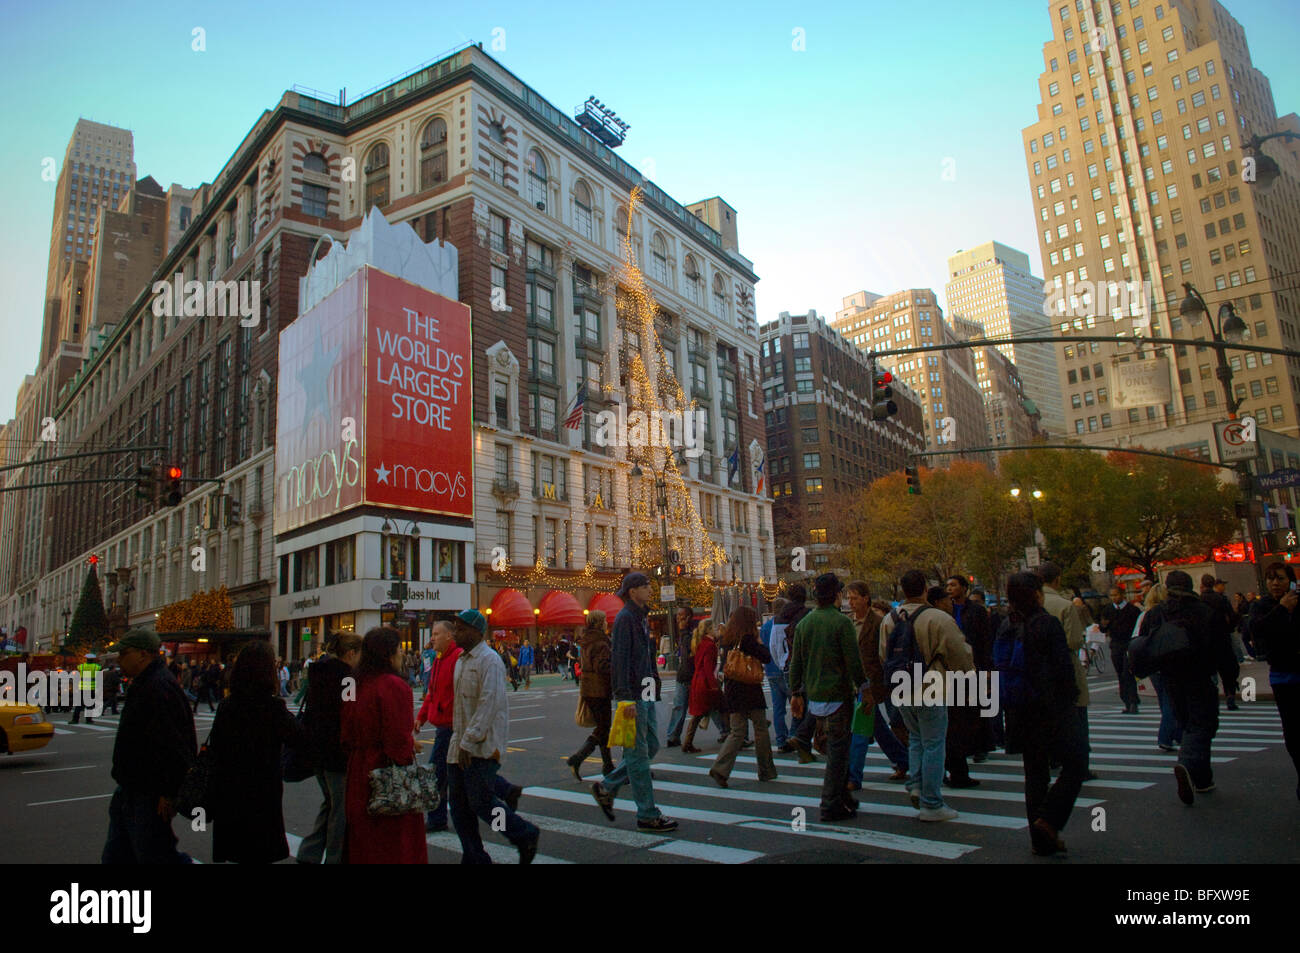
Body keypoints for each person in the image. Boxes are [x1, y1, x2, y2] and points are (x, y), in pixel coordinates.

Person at [995, 572, 1085, 856]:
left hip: (1019, 708)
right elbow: (1063, 671)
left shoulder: (1007, 624)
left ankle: (1040, 839)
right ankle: (1049, 820)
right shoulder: (1046, 623)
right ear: (1036, 593)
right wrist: (1070, 702)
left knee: (1035, 774)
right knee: (1076, 764)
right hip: (1051, 708)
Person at [879, 570, 975, 822]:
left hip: (901, 687)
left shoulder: (889, 619)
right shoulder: (938, 618)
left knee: (916, 740)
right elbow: (959, 653)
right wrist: (970, 675)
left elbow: (883, 656)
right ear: (924, 589)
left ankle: (917, 784)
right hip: (931, 684)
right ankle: (932, 802)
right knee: (934, 743)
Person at [446, 610, 539, 864]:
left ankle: (523, 833)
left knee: (481, 802)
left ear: (478, 632)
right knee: (459, 805)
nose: (456, 633)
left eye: (461, 628)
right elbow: (461, 707)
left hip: (482, 745)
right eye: (455, 628)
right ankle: (474, 856)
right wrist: (458, 741)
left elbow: (489, 703)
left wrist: (468, 741)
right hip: (460, 744)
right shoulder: (462, 661)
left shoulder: (490, 660)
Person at [591, 571, 677, 833]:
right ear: (632, 591)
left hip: (646, 693)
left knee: (649, 745)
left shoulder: (639, 617)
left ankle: (607, 786)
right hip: (633, 697)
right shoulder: (626, 619)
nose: (651, 589)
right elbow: (620, 660)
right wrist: (624, 697)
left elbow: (644, 659)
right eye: (646, 586)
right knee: (638, 755)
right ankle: (647, 813)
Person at [101, 630, 196, 864]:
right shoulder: (146, 684)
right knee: (120, 856)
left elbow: (175, 745)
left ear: (143, 655)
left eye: (124, 654)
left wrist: (169, 792)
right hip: (131, 788)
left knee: (156, 856)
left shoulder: (159, 687)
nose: (119, 659)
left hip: (148, 793)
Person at [208, 640, 304, 863]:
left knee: (238, 851)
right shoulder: (271, 708)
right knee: (259, 852)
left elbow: (216, 748)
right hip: (261, 791)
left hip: (230, 789)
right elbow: (300, 739)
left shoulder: (227, 706)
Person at [341, 627, 427, 864]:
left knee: (362, 841)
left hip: (358, 770)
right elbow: (398, 739)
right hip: (386, 773)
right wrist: (410, 745)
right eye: (399, 649)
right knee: (394, 844)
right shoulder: (394, 685)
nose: (401, 654)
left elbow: (345, 729)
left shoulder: (353, 682)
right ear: (389, 654)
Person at [1136, 570, 1219, 805]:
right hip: (1200, 675)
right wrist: (1229, 678)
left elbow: (1144, 643)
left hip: (1169, 676)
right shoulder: (1203, 612)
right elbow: (1219, 647)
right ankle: (1188, 763)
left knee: (1185, 722)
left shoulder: (1156, 613)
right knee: (1203, 724)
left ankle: (1202, 778)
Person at [789, 573, 867, 822]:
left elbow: (796, 663)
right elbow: (853, 661)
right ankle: (830, 803)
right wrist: (864, 686)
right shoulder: (841, 623)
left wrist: (796, 692)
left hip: (815, 696)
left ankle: (843, 798)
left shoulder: (805, 624)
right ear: (836, 595)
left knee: (837, 750)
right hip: (838, 694)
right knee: (838, 753)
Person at [297, 632, 362, 863]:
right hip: (337, 752)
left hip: (316, 749)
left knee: (330, 804)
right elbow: (350, 712)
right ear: (351, 653)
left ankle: (309, 852)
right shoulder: (347, 678)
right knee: (340, 811)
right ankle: (334, 857)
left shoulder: (318, 672)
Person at [845, 581, 909, 787]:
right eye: (849, 597)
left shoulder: (878, 622)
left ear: (866, 598)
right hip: (853, 683)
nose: (851, 601)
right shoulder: (847, 622)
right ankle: (904, 760)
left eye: (855, 597)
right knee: (879, 729)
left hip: (870, 683)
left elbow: (885, 654)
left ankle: (854, 776)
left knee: (861, 732)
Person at [1246, 563, 1300, 800]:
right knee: (1293, 733)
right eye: (1270, 578)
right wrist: (1281, 609)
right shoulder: (1262, 606)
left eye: (1280, 578)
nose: (1275, 583)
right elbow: (1256, 630)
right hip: (1282, 676)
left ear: (1291, 580)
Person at [1039, 563, 1095, 780]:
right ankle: (1080, 765)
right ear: (1058, 579)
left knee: (1052, 717)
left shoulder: (1033, 605)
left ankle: (1055, 756)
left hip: (1042, 671)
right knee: (1077, 717)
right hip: (1066, 667)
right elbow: (1074, 640)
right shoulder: (1064, 605)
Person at [710, 606, 777, 787]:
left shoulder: (727, 639)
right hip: (750, 688)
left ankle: (720, 768)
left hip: (732, 688)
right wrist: (759, 642)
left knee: (737, 732)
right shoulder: (748, 639)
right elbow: (766, 657)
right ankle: (766, 769)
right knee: (760, 728)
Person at [944, 575, 993, 781]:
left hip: (975, 663)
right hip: (952, 668)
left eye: (953, 585)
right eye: (947, 585)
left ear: (964, 588)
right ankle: (961, 755)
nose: (950, 589)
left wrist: (988, 668)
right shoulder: (945, 611)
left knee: (976, 710)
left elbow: (986, 640)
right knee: (958, 714)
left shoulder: (976, 611)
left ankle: (979, 746)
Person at [414, 622, 459, 834]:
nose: (432, 638)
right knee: (461, 774)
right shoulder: (440, 659)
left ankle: (437, 818)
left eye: (436, 634)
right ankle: (504, 793)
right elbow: (432, 691)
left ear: (449, 635)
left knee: (438, 774)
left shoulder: (457, 658)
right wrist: (421, 717)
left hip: (451, 726)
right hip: (443, 724)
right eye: (432, 634)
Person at [1133, 584, 1183, 752]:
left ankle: (1176, 732)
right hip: (1169, 659)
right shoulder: (1169, 613)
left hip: (1152, 661)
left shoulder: (1145, 615)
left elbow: (1138, 638)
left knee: (1164, 699)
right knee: (1171, 699)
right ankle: (1166, 736)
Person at [567, 610, 615, 780]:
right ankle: (578, 758)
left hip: (588, 688)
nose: (606, 623)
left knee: (603, 728)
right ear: (599, 622)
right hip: (600, 688)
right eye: (605, 620)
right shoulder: (601, 641)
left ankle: (607, 765)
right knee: (603, 728)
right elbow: (602, 666)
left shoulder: (586, 640)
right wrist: (615, 668)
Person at [776, 585, 817, 761]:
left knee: (794, 705)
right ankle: (799, 737)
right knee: (810, 706)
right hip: (805, 666)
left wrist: (783, 662)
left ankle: (799, 742)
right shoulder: (809, 615)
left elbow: (774, 645)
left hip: (786, 666)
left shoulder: (778, 618)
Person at [1199, 573, 1240, 711]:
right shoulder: (1222, 599)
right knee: (1227, 670)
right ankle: (1230, 695)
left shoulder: (1199, 601)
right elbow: (1232, 617)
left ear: (1202, 585)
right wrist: (1229, 628)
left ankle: (1211, 697)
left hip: (1206, 641)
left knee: (1208, 672)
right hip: (1222, 638)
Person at [682, 618, 722, 752]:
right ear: (709, 630)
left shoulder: (700, 643)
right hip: (705, 682)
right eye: (714, 627)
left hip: (698, 681)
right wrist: (714, 685)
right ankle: (732, 735)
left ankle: (687, 743)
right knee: (723, 707)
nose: (716, 629)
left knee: (699, 713)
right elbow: (707, 667)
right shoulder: (710, 645)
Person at [1101, 586, 1142, 713]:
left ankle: (1133, 701)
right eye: (1112, 596)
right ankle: (1126, 701)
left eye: (1116, 595)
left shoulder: (1132, 610)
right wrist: (1103, 625)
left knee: (1128, 672)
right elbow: (1103, 628)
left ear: (1122, 595)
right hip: (1116, 644)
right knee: (1120, 673)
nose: (1114, 598)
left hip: (1129, 644)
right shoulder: (1108, 610)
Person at [760, 598, 793, 752]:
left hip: (771, 671)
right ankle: (794, 737)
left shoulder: (765, 627)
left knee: (778, 708)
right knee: (797, 706)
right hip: (785, 669)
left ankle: (781, 739)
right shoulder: (786, 625)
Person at [665, 606, 697, 747]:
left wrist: (684, 631)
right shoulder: (682, 630)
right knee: (679, 706)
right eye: (677, 615)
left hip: (693, 673)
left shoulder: (693, 630)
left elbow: (690, 648)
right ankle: (672, 736)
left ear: (689, 616)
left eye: (682, 615)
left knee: (710, 704)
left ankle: (725, 730)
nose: (679, 618)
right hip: (683, 674)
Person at [71, 652, 102, 724]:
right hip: (91, 688)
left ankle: (75, 720)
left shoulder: (81, 666)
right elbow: (100, 670)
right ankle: (88, 720)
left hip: (82, 688)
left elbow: (77, 669)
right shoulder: (96, 667)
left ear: (86, 659)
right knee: (89, 705)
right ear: (93, 660)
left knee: (78, 705)